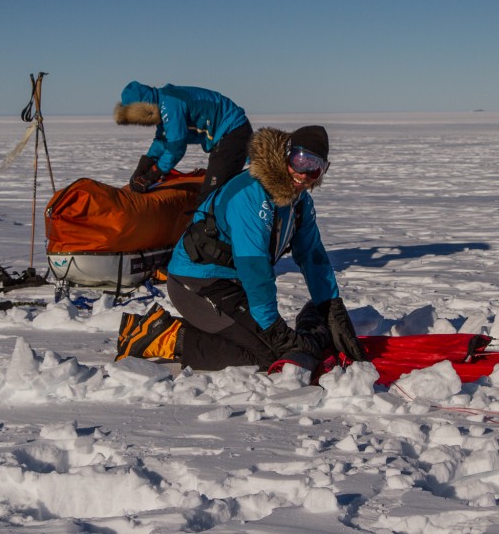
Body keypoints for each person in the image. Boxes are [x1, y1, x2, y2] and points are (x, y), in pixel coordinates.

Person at [115, 125, 366, 374]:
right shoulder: (251, 195)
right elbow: (254, 267)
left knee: (282, 345)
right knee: (268, 354)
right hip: (197, 284)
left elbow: (313, 255)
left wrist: (330, 306)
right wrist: (273, 328)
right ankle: (161, 334)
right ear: (285, 155)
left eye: (316, 167)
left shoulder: (299, 202)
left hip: (235, 286)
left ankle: (302, 328)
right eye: (301, 160)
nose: (305, 174)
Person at [114, 81, 253, 203]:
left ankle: (210, 229)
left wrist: (152, 175)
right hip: (228, 134)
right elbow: (162, 140)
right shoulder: (163, 101)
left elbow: (176, 147)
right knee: (216, 189)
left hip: (232, 131)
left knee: (209, 197)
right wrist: (144, 165)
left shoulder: (169, 105)